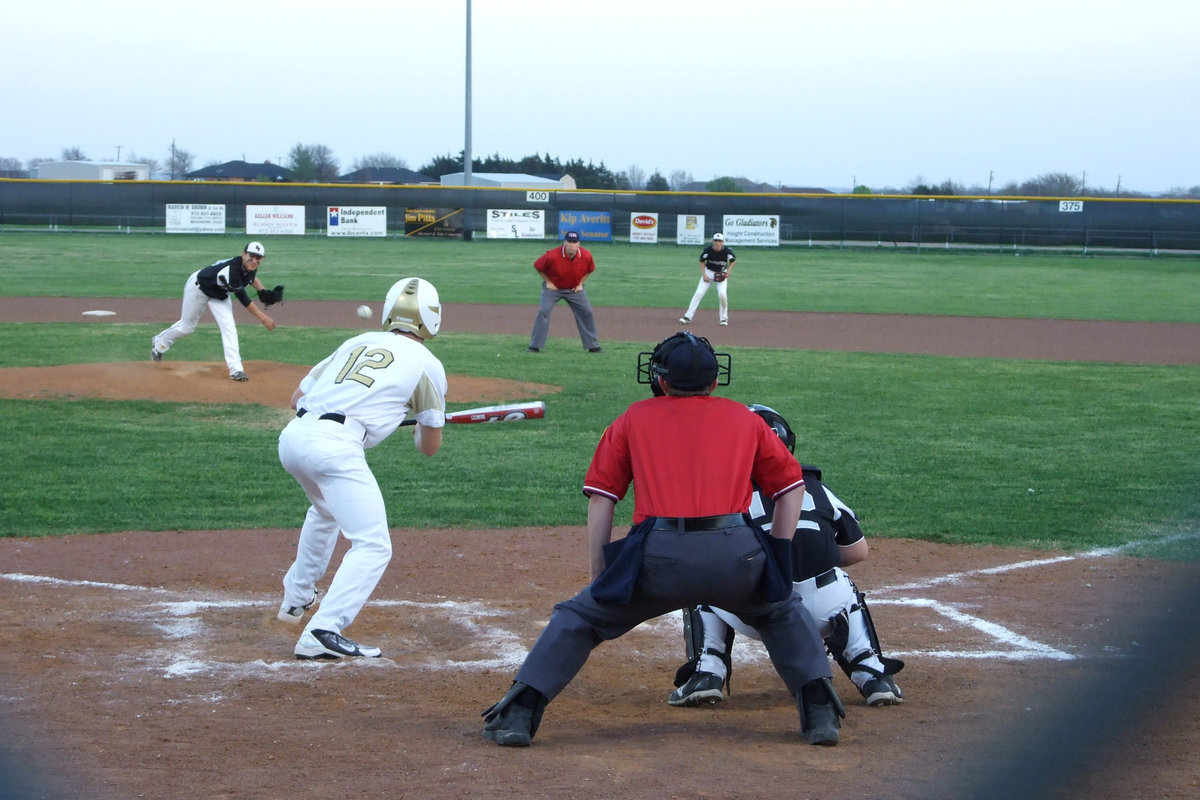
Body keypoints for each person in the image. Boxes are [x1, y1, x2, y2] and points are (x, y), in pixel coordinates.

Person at [481, 332, 845, 747]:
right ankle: (821, 715)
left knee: (579, 618)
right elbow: (791, 487)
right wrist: (777, 556)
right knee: (782, 611)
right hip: (736, 555)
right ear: (714, 381)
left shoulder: (634, 417)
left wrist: (600, 578)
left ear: (662, 381)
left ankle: (518, 714)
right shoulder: (747, 419)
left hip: (657, 558)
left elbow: (603, 499)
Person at [669, 404, 905, 709]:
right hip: (822, 613)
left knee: (703, 577)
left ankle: (708, 670)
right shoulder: (815, 486)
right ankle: (871, 672)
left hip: (751, 612)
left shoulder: (715, 490)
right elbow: (858, 552)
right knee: (841, 582)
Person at [275, 277, 447, 660]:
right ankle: (324, 629)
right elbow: (429, 448)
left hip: (294, 438)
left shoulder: (356, 341)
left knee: (325, 510)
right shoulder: (428, 365)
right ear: (432, 319)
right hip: (335, 449)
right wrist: (421, 426)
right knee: (372, 545)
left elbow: (295, 399)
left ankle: (296, 597)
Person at [151, 241, 281, 381]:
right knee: (186, 328)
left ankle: (236, 370)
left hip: (219, 294)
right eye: (251, 256)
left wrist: (262, 290)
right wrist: (263, 318)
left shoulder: (250, 266)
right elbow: (244, 300)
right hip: (199, 288)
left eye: (258, 258)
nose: (254, 260)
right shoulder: (232, 271)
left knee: (229, 328)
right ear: (243, 254)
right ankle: (160, 342)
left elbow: (252, 277)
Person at [527, 230, 602, 353]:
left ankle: (593, 346)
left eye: (574, 242)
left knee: (587, 312)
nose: (571, 245)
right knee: (543, 311)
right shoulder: (552, 255)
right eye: (569, 242)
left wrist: (580, 283)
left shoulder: (586, 255)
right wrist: (548, 282)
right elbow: (538, 266)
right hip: (553, 289)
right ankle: (534, 346)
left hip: (574, 289)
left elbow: (590, 270)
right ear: (564, 243)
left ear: (579, 244)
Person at [679, 232, 736, 326]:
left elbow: (733, 260)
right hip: (709, 272)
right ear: (713, 241)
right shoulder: (708, 250)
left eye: (720, 241)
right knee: (698, 293)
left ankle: (723, 319)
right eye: (716, 241)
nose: (717, 243)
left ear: (723, 242)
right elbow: (702, 261)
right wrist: (704, 274)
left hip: (721, 273)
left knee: (722, 294)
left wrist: (727, 272)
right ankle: (688, 316)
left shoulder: (727, 252)